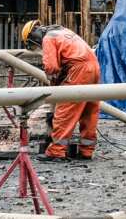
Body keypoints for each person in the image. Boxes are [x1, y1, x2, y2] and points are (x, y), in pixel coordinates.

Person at [21, 20, 100, 161]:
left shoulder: (48, 38)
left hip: (79, 69)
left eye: (32, 45)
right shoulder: (64, 32)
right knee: (89, 110)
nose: (36, 47)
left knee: (65, 110)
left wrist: (53, 86)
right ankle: (86, 151)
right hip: (94, 66)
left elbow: (51, 67)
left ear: (33, 36)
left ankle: (56, 151)